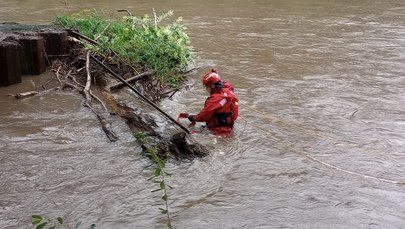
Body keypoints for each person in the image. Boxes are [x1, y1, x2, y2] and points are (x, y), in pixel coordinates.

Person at [188, 69, 239, 135]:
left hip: (218, 131)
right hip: (228, 128)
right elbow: (228, 85)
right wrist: (215, 74)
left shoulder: (214, 100)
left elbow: (204, 114)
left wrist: (194, 118)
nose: (206, 89)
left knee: (192, 133)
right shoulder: (227, 90)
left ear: (212, 86)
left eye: (207, 87)